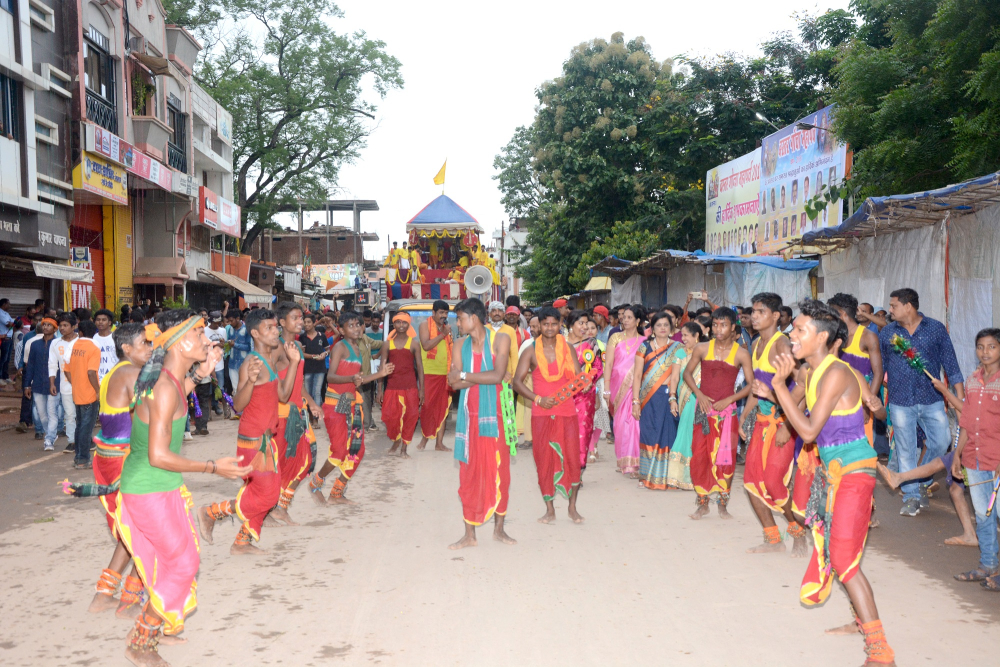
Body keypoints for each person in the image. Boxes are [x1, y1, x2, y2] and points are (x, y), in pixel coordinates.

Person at [115, 309, 249, 666]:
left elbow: (177, 393)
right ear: (178, 341)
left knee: (170, 560)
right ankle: (140, 642)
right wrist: (212, 467)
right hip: (148, 487)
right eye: (201, 332)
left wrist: (201, 375)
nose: (207, 340)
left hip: (160, 486)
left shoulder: (170, 380)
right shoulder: (161, 386)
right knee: (184, 563)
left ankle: (159, 622)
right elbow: (159, 455)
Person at [769, 299, 895, 666]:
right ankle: (864, 620)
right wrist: (776, 389)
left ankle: (880, 651)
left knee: (843, 558)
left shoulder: (837, 372)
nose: (792, 335)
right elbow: (796, 411)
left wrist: (778, 385)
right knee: (844, 555)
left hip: (854, 473)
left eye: (800, 330)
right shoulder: (811, 373)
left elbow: (807, 430)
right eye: (793, 329)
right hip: (834, 473)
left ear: (823, 337)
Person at [198, 309, 300, 555]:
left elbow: (284, 396)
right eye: (269, 327)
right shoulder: (251, 362)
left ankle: (242, 542)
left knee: (267, 493)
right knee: (266, 496)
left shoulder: (269, 360)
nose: (275, 331)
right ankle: (211, 512)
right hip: (253, 442)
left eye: (276, 326)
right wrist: (251, 381)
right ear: (255, 333)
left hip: (266, 440)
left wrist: (295, 363)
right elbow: (239, 405)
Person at [84, 323, 151, 618]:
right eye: (144, 344)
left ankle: (111, 595)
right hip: (123, 461)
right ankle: (127, 598)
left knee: (133, 530)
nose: (150, 349)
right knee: (147, 529)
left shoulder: (117, 371)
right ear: (126, 348)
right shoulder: (130, 374)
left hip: (112, 458)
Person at [879, 288, 964, 516]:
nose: (890, 309)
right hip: (900, 401)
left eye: (894, 305)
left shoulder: (935, 328)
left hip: (932, 399)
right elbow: (882, 365)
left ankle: (919, 477)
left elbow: (951, 364)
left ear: (908, 306)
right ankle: (912, 497)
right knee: (906, 449)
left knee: (941, 441)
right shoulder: (887, 333)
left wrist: (959, 399)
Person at [741, 292, 807, 554]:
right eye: (753, 312)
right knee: (750, 482)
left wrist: (787, 425)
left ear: (776, 316)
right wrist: (744, 416)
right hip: (760, 422)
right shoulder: (756, 343)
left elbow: (802, 385)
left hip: (781, 423)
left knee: (772, 482)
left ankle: (797, 530)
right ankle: (773, 539)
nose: (754, 316)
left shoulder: (782, 345)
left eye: (760, 312)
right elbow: (757, 388)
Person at [447, 298, 515, 549]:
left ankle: (499, 530)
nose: (458, 323)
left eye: (460, 318)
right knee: (469, 475)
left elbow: (497, 375)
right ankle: (469, 535)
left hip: (496, 417)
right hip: (469, 418)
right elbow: (453, 384)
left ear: (473, 318)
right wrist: (486, 377)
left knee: (501, 473)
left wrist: (466, 375)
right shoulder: (459, 345)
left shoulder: (501, 340)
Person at [308, 311, 393, 504]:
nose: (356, 328)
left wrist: (379, 375)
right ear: (342, 329)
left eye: (358, 325)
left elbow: (358, 380)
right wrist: (352, 379)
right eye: (351, 325)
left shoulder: (357, 347)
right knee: (339, 451)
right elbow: (331, 377)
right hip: (335, 405)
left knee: (357, 450)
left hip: (352, 406)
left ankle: (337, 492)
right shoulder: (340, 347)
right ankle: (316, 483)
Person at [513, 306, 585, 524]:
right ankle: (550, 510)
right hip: (541, 414)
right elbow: (516, 381)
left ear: (560, 325)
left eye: (554, 324)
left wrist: (585, 379)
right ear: (539, 326)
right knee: (544, 461)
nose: (550, 328)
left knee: (573, 459)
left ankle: (572, 508)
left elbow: (579, 377)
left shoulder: (569, 348)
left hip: (567, 412)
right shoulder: (530, 350)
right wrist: (538, 399)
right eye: (546, 324)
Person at [683, 308, 753, 519]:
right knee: (700, 457)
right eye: (715, 325)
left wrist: (730, 399)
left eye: (723, 325)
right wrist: (699, 394)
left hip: (727, 414)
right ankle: (702, 503)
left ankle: (723, 504)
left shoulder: (741, 353)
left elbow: (751, 385)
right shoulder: (702, 348)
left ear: (733, 327)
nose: (718, 329)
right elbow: (687, 373)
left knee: (727, 459)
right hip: (703, 412)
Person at [948, 328, 1000, 590]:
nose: (985, 352)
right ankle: (988, 565)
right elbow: (966, 423)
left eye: (991, 347)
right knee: (983, 514)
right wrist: (957, 455)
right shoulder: (972, 380)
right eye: (980, 347)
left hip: (997, 459)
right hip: (974, 459)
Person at [268, 303, 322, 527]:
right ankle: (269, 509)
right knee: (279, 464)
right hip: (282, 415)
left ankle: (278, 507)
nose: (301, 322)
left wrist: (310, 403)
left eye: (301, 318)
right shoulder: (276, 348)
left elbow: (296, 382)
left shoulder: (297, 346)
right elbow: (270, 383)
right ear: (281, 322)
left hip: (298, 412)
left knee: (305, 461)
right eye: (295, 318)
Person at [634, 312, 684, 490]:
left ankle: (667, 477)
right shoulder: (644, 347)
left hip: (669, 396)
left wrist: (674, 397)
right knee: (649, 432)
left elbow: (678, 375)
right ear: (652, 329)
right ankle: (648, 476)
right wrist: (635, 401)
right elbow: (638, 375)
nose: (662, 328)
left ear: (671, 328)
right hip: (648, 397)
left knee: (668, 434)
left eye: (666, 325)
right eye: (659, 325)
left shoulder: (678, 347)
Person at [828, 293, 884, 444]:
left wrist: (867, 407)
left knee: (859, 447)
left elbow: (878, 374)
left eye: (833, 314)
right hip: (836, 398)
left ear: (843, 314)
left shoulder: (868, 336)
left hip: (860, 399)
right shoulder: (835, 336)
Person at [603, 305, 646, 476]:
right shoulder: (615, 338)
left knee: (634, 423)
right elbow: (609, 364)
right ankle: (623, 460)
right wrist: (606, 388)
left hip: (635, 387)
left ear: (637, 321)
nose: (625, 320)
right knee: (620, 424)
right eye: (624, 317)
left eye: (629, 317)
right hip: (616, 386)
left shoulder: (644, 341)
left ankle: (634, 462)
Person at [666, 322, 706, 490]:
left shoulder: (706, 352)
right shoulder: (680, 353)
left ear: (696, 336)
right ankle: (679, 477)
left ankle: (695, 476)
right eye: (681, 335)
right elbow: (674, 378)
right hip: (685, 400)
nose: (682, 339)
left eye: (686, 336)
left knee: (697, 437)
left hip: (702, 400)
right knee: (684, 433)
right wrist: (672, 398)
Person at [379, 313, 424, 459]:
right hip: (392, 387)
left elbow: (420, 368)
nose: (401, 325)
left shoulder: (414, 344)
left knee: (410, 417)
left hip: (410, 387)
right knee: (390, 417)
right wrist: (379, 390)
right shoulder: (387, 344)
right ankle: (396, 441)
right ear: (394, 325)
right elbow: (382, 368)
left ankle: (404, 447)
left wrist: (421, 390)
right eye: (398, 322)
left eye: (404, 323)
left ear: (408, 325)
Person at [565, 310, 602, 469]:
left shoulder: (591, 344)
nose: (585, 327)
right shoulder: (559, 344)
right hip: (563, 394)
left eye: (587, 323)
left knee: (582, 430)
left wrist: (588, 380)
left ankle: (577, 469)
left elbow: (597, 367)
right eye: (581, 323)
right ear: (571, 325)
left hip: (584, 394)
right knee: (564, 431)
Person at [417, 301, 453, 452]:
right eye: (441, 312)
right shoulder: (425, 325)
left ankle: (439, 443)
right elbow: (426, 345)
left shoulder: (447, 328)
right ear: (433, 313)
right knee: (427, 408)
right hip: (428, 373)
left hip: (445, 373)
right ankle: (424, 440)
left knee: (443, 408)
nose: (444, 315)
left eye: (446, 313)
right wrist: (443, 335)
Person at [67, 320, 102, 470]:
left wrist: (75, 384)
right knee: (86, 427)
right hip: (89, 393)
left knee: (80, 425)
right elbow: (91, 372)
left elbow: (66, 370)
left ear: (79, 332)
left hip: (77, 392)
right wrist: (98, 390)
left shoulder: (73, 346)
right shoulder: (94, 347)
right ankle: (82, 459)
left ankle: (78, 458)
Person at [24, 317, 58, 450]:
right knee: (41, 414)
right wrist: (27, 385)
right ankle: (50, 433)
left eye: (49, 325)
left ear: (55, 329)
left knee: (52, 412)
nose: (45, 327)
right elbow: (30, 365)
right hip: (37, 383)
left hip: (54, 384)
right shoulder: (35, 344)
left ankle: (49, 439)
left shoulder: (57, 344)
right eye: (44, 325)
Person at [50, 313, 79, 453]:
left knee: (83, 415)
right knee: (69, 414)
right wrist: (52, 383)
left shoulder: (81, 341)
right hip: (65, 385)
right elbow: (52, 364)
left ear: (74, 326)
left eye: (65, 325)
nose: (62, 328)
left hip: (83, 385)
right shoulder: (55, 343)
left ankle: (85, 439)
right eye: (60, 325)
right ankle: (72, 441)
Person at [515, 314, 541, 451]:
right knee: (529, 408)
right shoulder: (526, 343)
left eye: (537, 326)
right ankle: (529, 439)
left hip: (545, 379)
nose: (534, 329)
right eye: (532, 326)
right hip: (529, 378)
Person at [299, 312, 329, 412]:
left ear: (313, 323)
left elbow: (327, 349)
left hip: (320, 368)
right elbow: (302, 354)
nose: (306, 324)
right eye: (305, 322)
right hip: (307, 368)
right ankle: (310, 415)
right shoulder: (302, 337)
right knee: (308, 392)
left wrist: (324, 354)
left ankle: (316, 415)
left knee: (317, 392)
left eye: (308, 322)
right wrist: (315, 356)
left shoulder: (322, 336)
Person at [227, 310, 251, 420]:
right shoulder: (230, 329)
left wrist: (235, 344)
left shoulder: (247, 330)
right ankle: (238, 411)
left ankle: (246, 411)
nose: (230, 323)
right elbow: (229, 343)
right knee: (235, 388)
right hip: (232, 363)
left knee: (245, 388)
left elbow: (249, 347)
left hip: (244, 363)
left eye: (231, 320)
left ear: (237, 319)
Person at [487, 301, 519, 380]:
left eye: (500, 310)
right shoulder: (483, 330)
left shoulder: (510, 330)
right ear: (489, 314)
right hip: (487, 375)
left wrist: (514, 377)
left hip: (506, 377)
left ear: (504, 314)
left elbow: (514, 355)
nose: (497, 313)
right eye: (494, 311)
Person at [205, 312, 227, 415]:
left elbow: (225, 344)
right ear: (211, 321)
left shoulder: (223, 330)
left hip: (219, 365)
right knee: (209, 391)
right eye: (215, 323)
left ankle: (225, 410)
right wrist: (215, 345)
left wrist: (223, 344)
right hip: (207, 365)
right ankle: (209, 413)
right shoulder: (205, 330)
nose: (217, 325)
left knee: (220, 389)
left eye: (219, 323)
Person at [93, 309, 118, 382]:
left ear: (109, 322)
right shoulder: (93, 339)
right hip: (98, 381)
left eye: (104, 320)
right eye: (98, 320)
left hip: (115, 379)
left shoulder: (116, 338)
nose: (100, 322)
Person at [0, 298, 15, 384]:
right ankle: (0, 376)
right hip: (4, 339)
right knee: (3, 359)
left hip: (9, 338)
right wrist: (14, 323)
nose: (10, 306)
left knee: (8, 359)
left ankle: (5, 376)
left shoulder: (6, 313)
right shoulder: (0, 313)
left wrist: (13, 323)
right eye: (8, 304)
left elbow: (13, 322)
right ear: (4, 304)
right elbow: (9, 324)